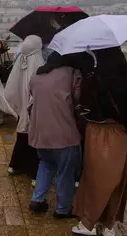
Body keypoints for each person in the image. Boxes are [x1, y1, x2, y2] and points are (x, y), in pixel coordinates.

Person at [71, 48, 127, 236]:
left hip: (96, 132)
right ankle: (109, 223)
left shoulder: (92, 78)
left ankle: (89, 223)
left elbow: (82, 106)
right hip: (120, 134)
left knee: (95, 178)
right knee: (116, 179)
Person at [28, 52, 82, 218]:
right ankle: (63, 209)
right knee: (66, 172)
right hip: (64, 133)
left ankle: (37, 200)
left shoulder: (36, 75)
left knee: (46, 164)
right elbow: (79, 98)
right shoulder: (72, 74)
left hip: (39, 133)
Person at [5, 35, 45, 184]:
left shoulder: (21, 60)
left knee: (23, 134)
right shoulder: (39, 63)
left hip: (22, 108)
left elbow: (11, 90)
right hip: (33, 109)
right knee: (34, 139)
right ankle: (34, 173)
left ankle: (15, 165)